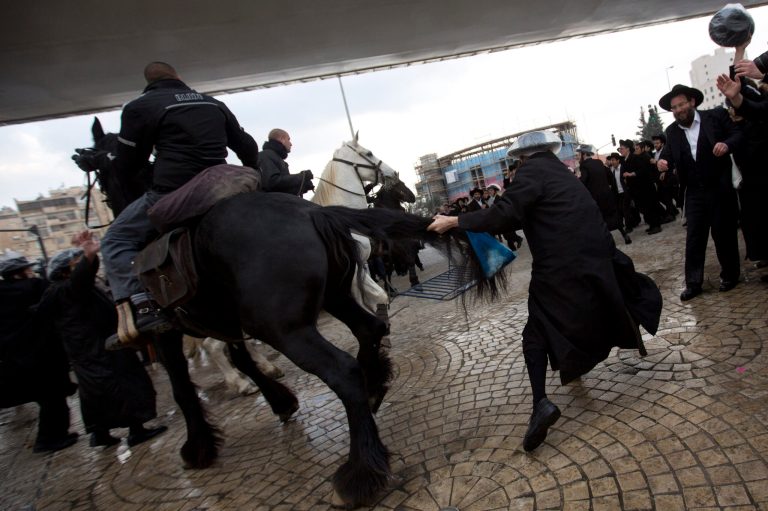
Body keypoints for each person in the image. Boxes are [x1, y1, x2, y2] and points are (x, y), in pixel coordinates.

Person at [428, 131, 660, 452]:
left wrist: (455, 221)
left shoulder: (531, 172)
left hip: (559, 268)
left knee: (535, 334)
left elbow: (503, 213)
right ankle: (574, 366)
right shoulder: (562, 173)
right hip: (592, 259)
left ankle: (541, 404)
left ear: (523, 157)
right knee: (583, 316)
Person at [96, 61, 259, 348]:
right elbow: (247, 147)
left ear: (148, 83)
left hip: (176, 190)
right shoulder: (212, 103)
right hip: (225, 180)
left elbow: (127, 165)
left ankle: (143, 306)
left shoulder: (139, 108)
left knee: (115, 239)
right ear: (178, 77)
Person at [37, 233, 168, 448]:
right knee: (125, 386)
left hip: (86, 351)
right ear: (64, 271)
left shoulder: (59, 292)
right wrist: (89, 255)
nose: (79, 266)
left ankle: (100, 433)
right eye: (75, 264)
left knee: (95, 394)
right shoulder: (68, 289)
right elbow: (82, 278)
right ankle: (136, 430)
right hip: (103, 349)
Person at [657, 84, 743, 301]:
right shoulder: (672, 131)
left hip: (719, 187)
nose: (678, 109)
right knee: (694, 237)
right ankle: (694, 283)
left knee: (723, 233)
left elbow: (737, 134)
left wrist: (726, 144)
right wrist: (662, 162)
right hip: (694, 192)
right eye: (674, 107)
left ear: (692, 102)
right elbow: (666, 155)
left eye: (682, 104)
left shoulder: (715, 116)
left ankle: (730, 275)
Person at [0, 252, 79, 453]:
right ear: (18, 273)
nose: (30, 271)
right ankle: (49, 440)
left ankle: (54, 436)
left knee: (49, 400)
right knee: (53, 400)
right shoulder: (33, 287)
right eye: (26, 269)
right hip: (41, 356)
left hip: (18, 359)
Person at [576, 144, 631, 244]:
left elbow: (583, 180)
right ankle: (624, 234)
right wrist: (611, 189)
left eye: (578, 154)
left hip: (596, 198)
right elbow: (610, 176)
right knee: (614, 215)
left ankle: (609, 242)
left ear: (584, 154)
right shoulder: (598, 162)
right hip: (607, 195)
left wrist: (576, 181)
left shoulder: (584, 165)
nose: (577, 156)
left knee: (601, 219)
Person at [618, 139, 664, 235]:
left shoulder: (635, 157)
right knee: (643, 208)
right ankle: (652, 225)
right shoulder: (625, 160)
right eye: (619, 149)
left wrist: (631, 174)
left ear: (627, 149)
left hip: (644, 187)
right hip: (636, 190)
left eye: (622, 149)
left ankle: (656, 225)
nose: (620, 150)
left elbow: (643, 170)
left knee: (649, 207)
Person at [258, 128, 315, 195]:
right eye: (288, 139)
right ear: (282, 139)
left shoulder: (276, 158)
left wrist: (302, 186)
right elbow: (272, 183)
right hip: (267, 203)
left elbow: (282, 190)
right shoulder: (265, 155)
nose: (291, 144)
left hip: (276, 202)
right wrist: (301, 177)